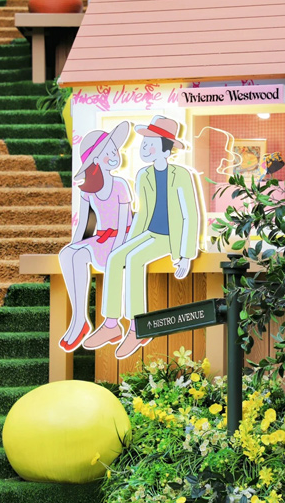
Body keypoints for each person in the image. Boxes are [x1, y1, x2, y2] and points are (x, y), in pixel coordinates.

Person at [84, 116, 202, 360]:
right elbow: (143, 214)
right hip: (149, 233)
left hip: (171, 237)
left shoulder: (181, 175)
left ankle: (139, 328)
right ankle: (111, 324)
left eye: (150, 142)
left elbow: (190, 215)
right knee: (117, 258)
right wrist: (128, 242)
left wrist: (184, 255)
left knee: (136, 260)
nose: (144, 147)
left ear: (164, 147)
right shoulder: (143, 175)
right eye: (144, 142)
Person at [59, 121, 132, 352]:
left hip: (121, 239)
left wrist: (118, 251)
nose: (115, 155)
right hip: (100, 239)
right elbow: (84, 224)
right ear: (96, 160)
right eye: (108, 152)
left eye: (114, 150)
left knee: (78, 255)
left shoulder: (120, 185)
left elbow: (124, 225)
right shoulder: (87, 190)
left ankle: (89, 322)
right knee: (67, 254)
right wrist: (74, 246)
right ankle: (79, 319)